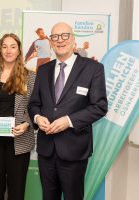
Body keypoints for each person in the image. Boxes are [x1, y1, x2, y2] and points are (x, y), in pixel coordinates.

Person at [28, 22, 108, 200]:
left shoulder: (93, 68)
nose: (60, 40)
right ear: (50, 41)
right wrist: (38, 117)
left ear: (73, 40)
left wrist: (68, 121)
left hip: (74, 149)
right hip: (46, 150)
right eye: (55, 37)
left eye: (65, 35)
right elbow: (33, 104)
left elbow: (100, 106)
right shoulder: (43, 70)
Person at [0, 33, 35, 200]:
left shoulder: (30, 76)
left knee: (16, 191)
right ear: (0, 50)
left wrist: (26, 123)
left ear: (19, 51)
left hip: (19, 139)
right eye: (4, 46)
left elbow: (36, 105)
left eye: (13, 46)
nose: (8, 50)